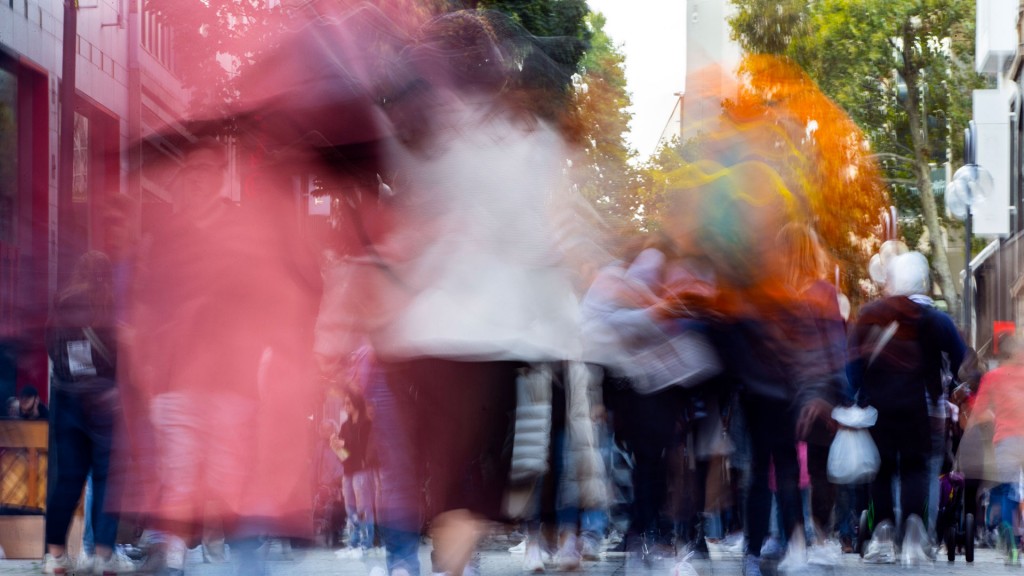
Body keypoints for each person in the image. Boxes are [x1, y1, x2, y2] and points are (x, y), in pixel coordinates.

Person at [849, 251, 966, 564]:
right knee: (915, 468)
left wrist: (853, 397)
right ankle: (914, 531)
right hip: (918, 406)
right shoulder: (934, 319)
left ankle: (884, 533)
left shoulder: (870, 313)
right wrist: (953, 382)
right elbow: (961, 358)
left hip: (878, 406)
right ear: (923, 282)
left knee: (883, 470)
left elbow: (853, 361)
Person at [43, 251, 135, 575]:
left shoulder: (61, 303)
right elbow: (120, 352)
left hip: (67, 397)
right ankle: (103, 557)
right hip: (103, 399)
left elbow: (50, 347)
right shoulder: (107, 303)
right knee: (107, 479)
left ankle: (55, 557)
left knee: (67, 480)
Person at [965, 334, 1024, 561]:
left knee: (1004, 488)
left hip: (1006, 440)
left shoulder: (992, 377)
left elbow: (978, 412)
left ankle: (1008, 533)